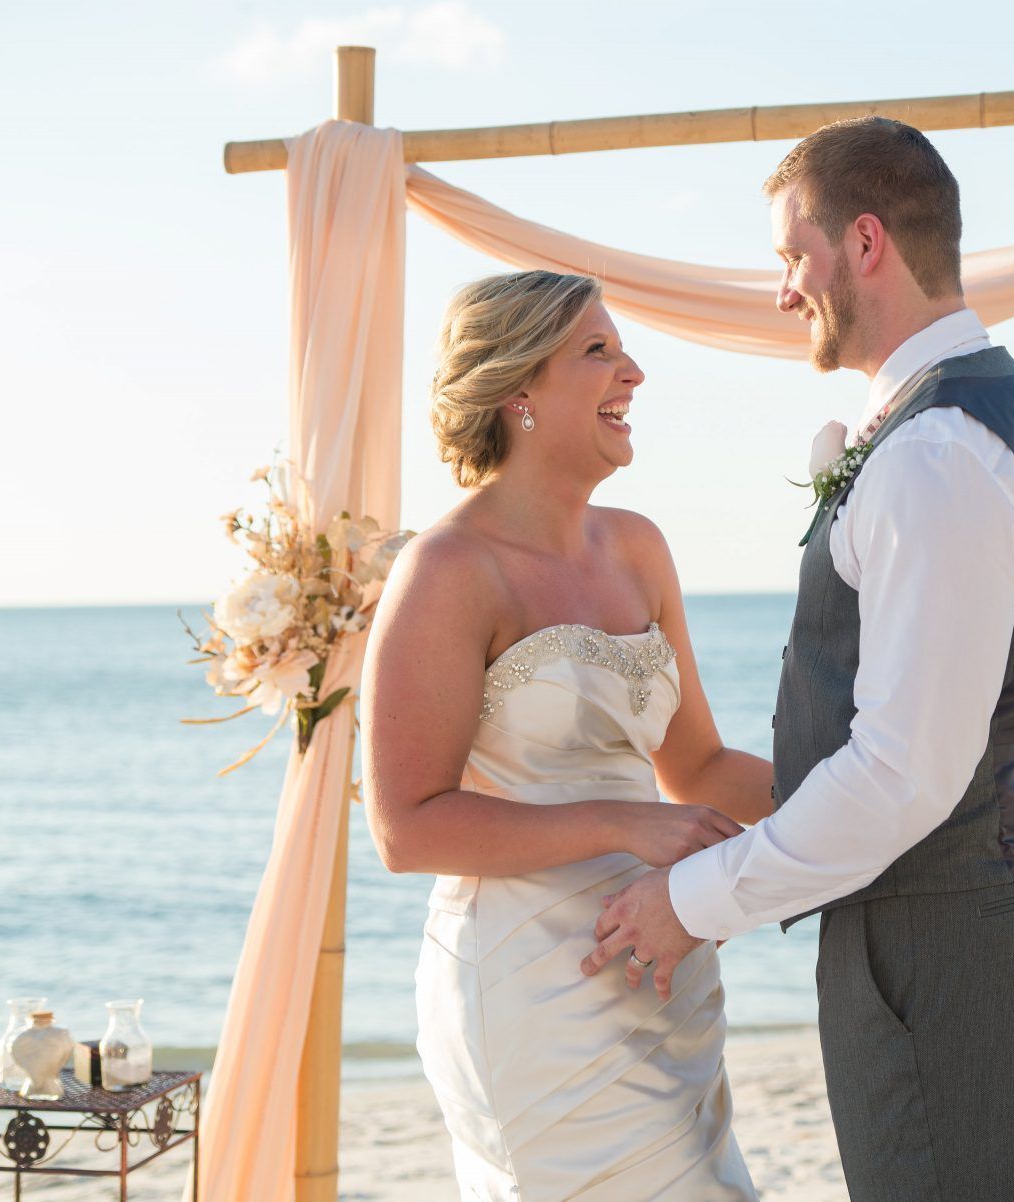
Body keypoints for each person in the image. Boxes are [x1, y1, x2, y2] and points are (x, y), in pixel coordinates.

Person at [587, 117, 1014, 1202]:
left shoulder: (936, 454)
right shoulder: (973, 414)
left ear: (864, 242)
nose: (783, 291)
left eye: (792, 256)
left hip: (942, 927)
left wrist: (696, 897)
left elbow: (902, 772)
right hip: (974, 907)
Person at [361, 269, 768, 1201]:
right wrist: (624, 827)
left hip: (659, 965)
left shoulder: (638, 547)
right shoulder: (448, 569)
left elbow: (699, 764)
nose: (633, 371)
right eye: (598, 351)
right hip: (529, 991)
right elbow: (405, 828)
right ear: (518, 392)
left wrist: (869, 799)